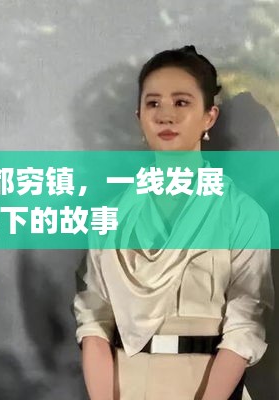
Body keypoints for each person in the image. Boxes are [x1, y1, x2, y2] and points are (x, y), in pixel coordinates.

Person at [74, 46, 273, 400]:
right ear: (139, 116)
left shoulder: (242, 214)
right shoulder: (110, 217)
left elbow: (245, 326)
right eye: (154, 103)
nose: (166, 115)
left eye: (181, 102)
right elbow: (94, 322)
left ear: (209, 116)